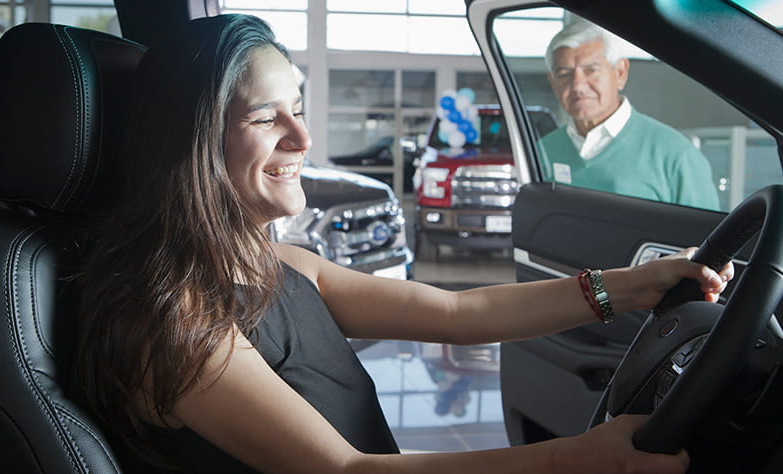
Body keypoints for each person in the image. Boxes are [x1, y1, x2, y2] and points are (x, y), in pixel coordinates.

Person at [76, 14, 732, 474]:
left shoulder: (280, 262)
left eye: (298, 108)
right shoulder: (176, 319)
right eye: (262, 116)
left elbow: (459, 314)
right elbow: (343, 470)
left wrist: (632, 285)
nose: (302, 140)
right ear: (194, 142)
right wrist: (577, 461)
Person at [538, 19, 721, 211]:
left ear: (620, 73)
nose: (577, 86)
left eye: (591, 70)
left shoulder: (675, 155)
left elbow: (708, 238)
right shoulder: (542, 151)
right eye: (565, 74)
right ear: (552, 82)